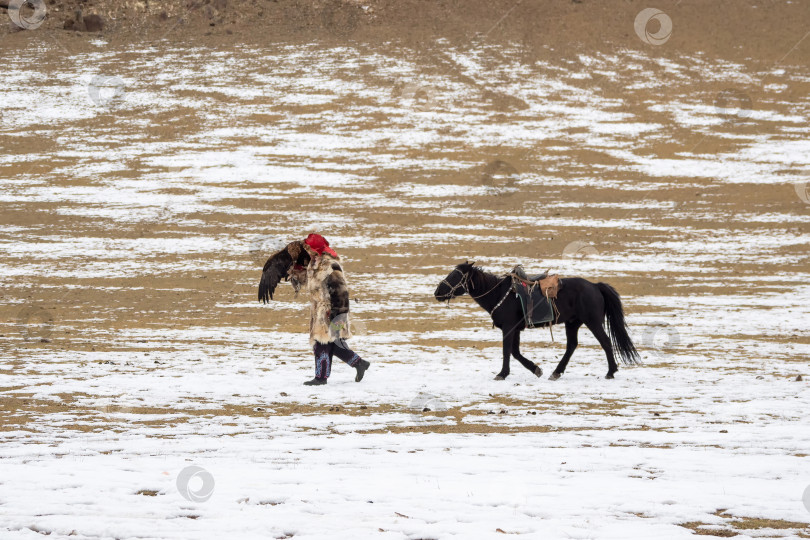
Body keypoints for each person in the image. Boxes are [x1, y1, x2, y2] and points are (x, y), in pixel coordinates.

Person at [301, 233, 370, 386]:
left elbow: (341, 292)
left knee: (322, 344)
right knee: (333, 344)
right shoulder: (314, 264)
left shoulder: (330, 267)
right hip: (320, 311)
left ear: (317, 250)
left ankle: (321, 377)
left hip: (331, 311)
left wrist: (335, 315)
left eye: (310, 249)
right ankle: (359, 364)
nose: (308, 252)